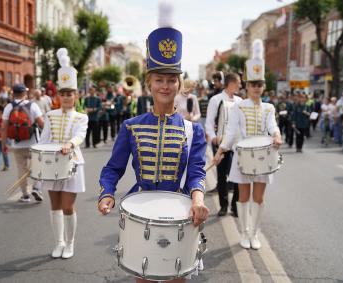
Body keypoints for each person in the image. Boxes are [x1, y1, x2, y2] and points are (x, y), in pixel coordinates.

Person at [97, 5, 209, 282]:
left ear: (179, 85)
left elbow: (197, 171)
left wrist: (198, 200)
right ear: (149, 84)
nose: (165, 86)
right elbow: (113, 169)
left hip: (181, 211)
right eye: (159, 79)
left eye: (172, 80)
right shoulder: (131, 127)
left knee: (176, 276)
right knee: (144, 275)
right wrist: (107, 192)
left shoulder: (193, 131)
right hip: (140, 210)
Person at [213, 39, 282, 250]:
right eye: (253, 84)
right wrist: (220, 151)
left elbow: (273, 127)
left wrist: (277, 136)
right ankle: (243, 232)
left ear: (264, 86)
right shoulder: (238, 107)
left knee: (258, 198)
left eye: (259, 84)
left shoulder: (269, 108)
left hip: (262, 157)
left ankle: (254, 233)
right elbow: (231, 133)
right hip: (242, 157)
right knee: (243, 196)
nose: (256, 88)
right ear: (247, 86)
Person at [39, 48, 88, 259]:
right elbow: (43, 139)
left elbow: (80, 136)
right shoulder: (50, 115)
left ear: (76, 95)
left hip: (72, 163)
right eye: (64, 94)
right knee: (54, 205)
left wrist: (69, 143)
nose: (67, 97)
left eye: (71, 94)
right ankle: (58, 241)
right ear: (59, 96)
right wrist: (38, 158)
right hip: (51, 164)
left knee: (68, 206)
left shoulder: (81, 117)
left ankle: (70, 243)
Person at [205, 73, 243, 217]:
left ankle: (235, 206)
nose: (240, 85)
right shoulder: (216, 99)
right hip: (221, 143)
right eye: (238, 82)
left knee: (238, 175)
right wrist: (213, 137)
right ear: (231, 83)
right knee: (222, 176)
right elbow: (209, 121)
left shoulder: (240, 101)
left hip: (237, 144)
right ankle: (223, 205)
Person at [1, 84, 44, 202]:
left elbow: (3, 127)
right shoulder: (33, 105)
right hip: (34, 144)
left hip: (17, 144)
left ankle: (25, 195)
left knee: (21, 169)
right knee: (40, 166)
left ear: (13, 94)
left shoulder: (9, 107)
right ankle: (37, 188)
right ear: (25, 93)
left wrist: (4, 144)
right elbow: (41, 124)